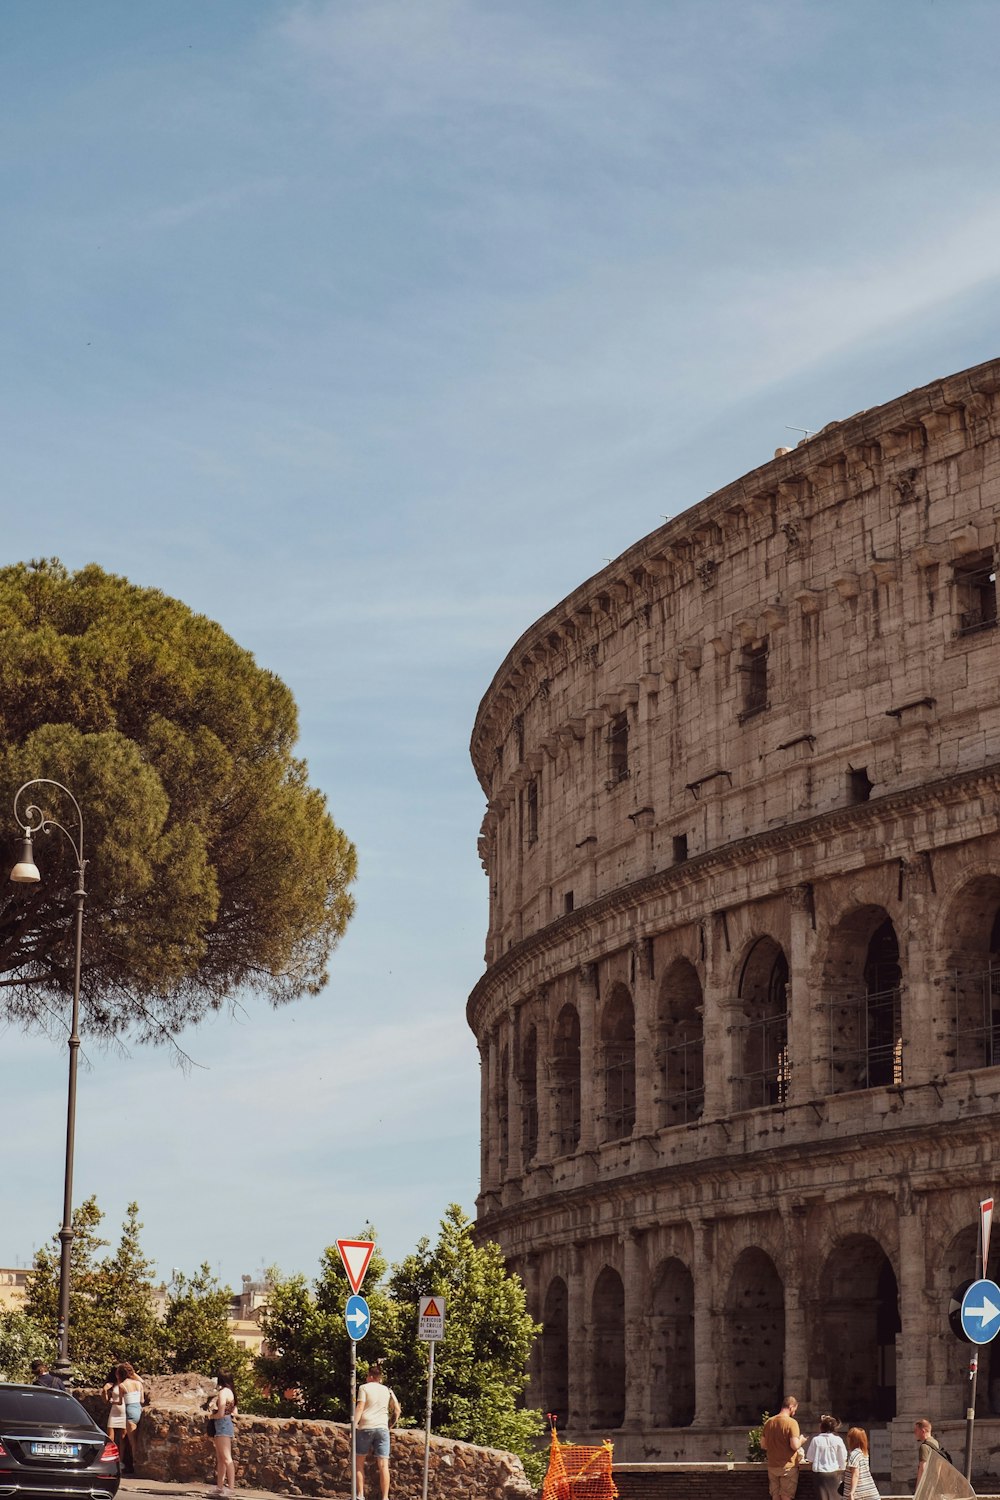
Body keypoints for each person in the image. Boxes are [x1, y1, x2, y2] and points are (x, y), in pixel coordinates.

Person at [354, 1362, 401, 1500]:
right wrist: (389, 1425)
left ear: (370, 1376)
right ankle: (385, 1497)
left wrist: (353, 1425)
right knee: (383, 1465)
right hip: (382, 1429)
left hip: (366, 1427)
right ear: (379, 1378)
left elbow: (360, 1408)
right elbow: (397, 1410)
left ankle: (360, 1495)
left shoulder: (364, 1388)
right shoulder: (387, 1390)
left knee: (359, 1463)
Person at [762, 1395, 807, 1500]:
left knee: (775, 1496)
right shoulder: (792, 1423)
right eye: (794, 1410)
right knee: (786, 1496)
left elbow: (763, 1445)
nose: (794, 1413)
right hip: (788, 1467)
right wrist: (801, 1440)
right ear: (791, 1407)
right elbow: (794, 1445)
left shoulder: (769, 1422)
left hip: (772, 1466)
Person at [206, 1368, 238, 1499]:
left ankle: (230, 1488)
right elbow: (234, 1412)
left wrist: (211, 1416)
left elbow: (220, 1413)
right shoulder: (231, 1392)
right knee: (221, 1458)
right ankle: (220, 1487)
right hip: (226, 1424)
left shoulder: (222, 1393)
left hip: (222, 1425)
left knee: (226, 1458)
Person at [806, 1415, 848, 1500]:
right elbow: (843, 1457)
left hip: (820, 1476)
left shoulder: (816, 1440)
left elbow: (809, 1458)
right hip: (833, 1475)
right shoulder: (838, 1440)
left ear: (822, 1427)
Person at [116, 1363, 145, 1476]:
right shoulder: (138, 1384)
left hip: (130, 1411)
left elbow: (119, 1402)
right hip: (138, 1409)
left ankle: (135, 1466)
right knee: (138, 1440)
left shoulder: (122, 1385)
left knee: (133, 1443)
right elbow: (142, 1400)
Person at [845, 1427, 881, 1500]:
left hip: (859, 1493)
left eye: (849, 1437)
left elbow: (855, 1474)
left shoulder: (854, 1454)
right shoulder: (864, 1454)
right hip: (870, 1491)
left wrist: (851, 1493)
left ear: (853, 1440)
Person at [101, 1367, 127, 1451]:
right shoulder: (112, 1384)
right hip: (114, 1411)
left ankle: (121, 1459)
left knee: (123, 1438)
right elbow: (105, 1401)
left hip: (124, 1411)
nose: (117, 1375)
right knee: (110, 1437)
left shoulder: (125, 1383)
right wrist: (105, 1391)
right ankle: (110, 1456)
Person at [914, 1419, 942, 1489]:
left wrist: (918, 1487)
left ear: (923, 1431)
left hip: (928, 1485)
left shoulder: (924, 1447)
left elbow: (923, 1468)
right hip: (937, 1482)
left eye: (916, 1430)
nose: (915, 1433)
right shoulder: (935, 1443)